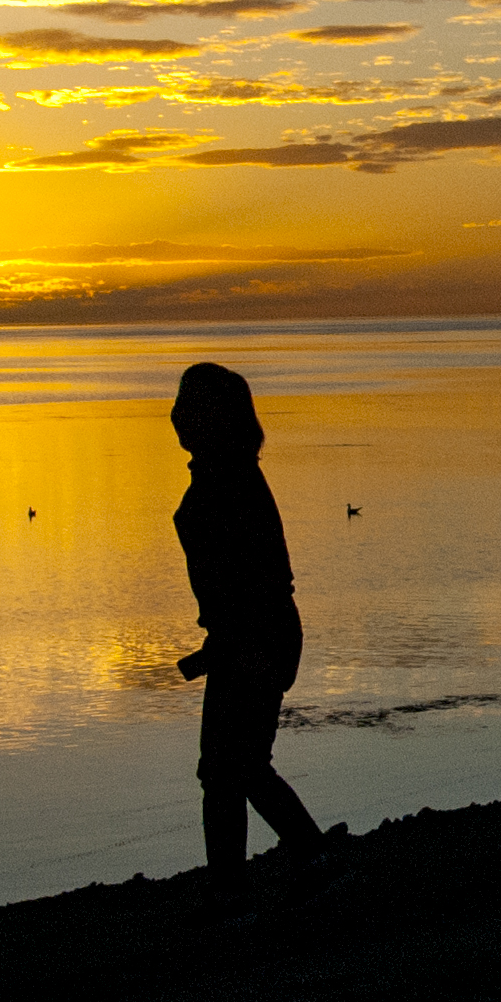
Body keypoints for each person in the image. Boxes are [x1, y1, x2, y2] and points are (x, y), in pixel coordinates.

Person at [167, 361, 336, 886]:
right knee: (236, 768)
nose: (175, 415)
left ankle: (239, 893)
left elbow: (254, 578)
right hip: (251, 636)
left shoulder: (231, 478)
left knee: (226, 771)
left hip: (256, 637)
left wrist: (234, 646)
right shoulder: (224, 472)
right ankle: (310, 858)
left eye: (188, 405)